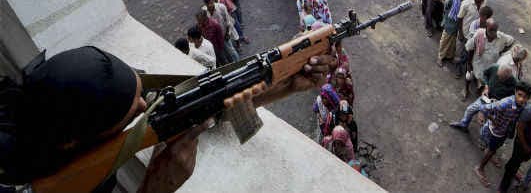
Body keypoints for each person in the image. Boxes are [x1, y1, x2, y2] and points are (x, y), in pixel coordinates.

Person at [0, 46, 336, 192]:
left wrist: (284, 85)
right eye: (134, 111)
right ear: (76, 142)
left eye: (140, 91)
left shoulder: (54, 109)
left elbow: (206, 107)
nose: (144, 104)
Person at [472, 81, 531, 188]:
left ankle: (490, 152)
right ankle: (480, 168)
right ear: (515, 92)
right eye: (519, 95)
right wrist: (491, 119)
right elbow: (484, 108)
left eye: (525, 97)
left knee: (494, 148)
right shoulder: (505, 103)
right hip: (495, 131)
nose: (521, 99)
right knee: (491, 150)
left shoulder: (523, 105)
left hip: (504, 131)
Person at [449, 64, 517, 131]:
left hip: (496, 104)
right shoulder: (494, 68)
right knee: (470, 109)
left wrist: (501, 101)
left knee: (487, 123)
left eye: (503, 78)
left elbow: (513, 97)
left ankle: (485, 134)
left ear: (509, 77)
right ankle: (464, 124)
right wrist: (486, 86)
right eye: (499, 76)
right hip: (486, 97)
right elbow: (484, 74)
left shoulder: (514, 83)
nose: (500, 79)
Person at [465, 18, 515, 95]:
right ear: (486, 27)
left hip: (490, 66)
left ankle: (479, 90)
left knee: (485, 81)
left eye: (495, 30)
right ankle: (466, 90)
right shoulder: (479, 34)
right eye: (491, 30)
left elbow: (511, 40)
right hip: (478, 64)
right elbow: (470, 48)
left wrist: (503, 50)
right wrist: (469, 64)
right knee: (469, 76)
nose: (493, 32)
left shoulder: (501, 37)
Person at [438, 0, 470, 66]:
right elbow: (446, 7)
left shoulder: (467, 0)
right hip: (449, 23)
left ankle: (449, 56)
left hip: (457, 25)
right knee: (445, 41)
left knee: (452, 42)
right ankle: (440, 57)